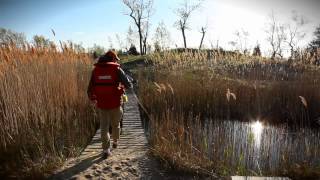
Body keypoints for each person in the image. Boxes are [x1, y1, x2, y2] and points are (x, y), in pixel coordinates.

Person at [87, 50, 132, 159]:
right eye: (116, 59)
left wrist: (93, 99)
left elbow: (89, 89)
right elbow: (128, 85)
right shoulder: (117, 69)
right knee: (116, 124)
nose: (116, 61)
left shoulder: (95, 70)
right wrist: (126, 85)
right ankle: (115, 141)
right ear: (112, 59)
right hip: (116, 103)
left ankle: (106, 150)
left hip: (102, 104)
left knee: (104, 127)